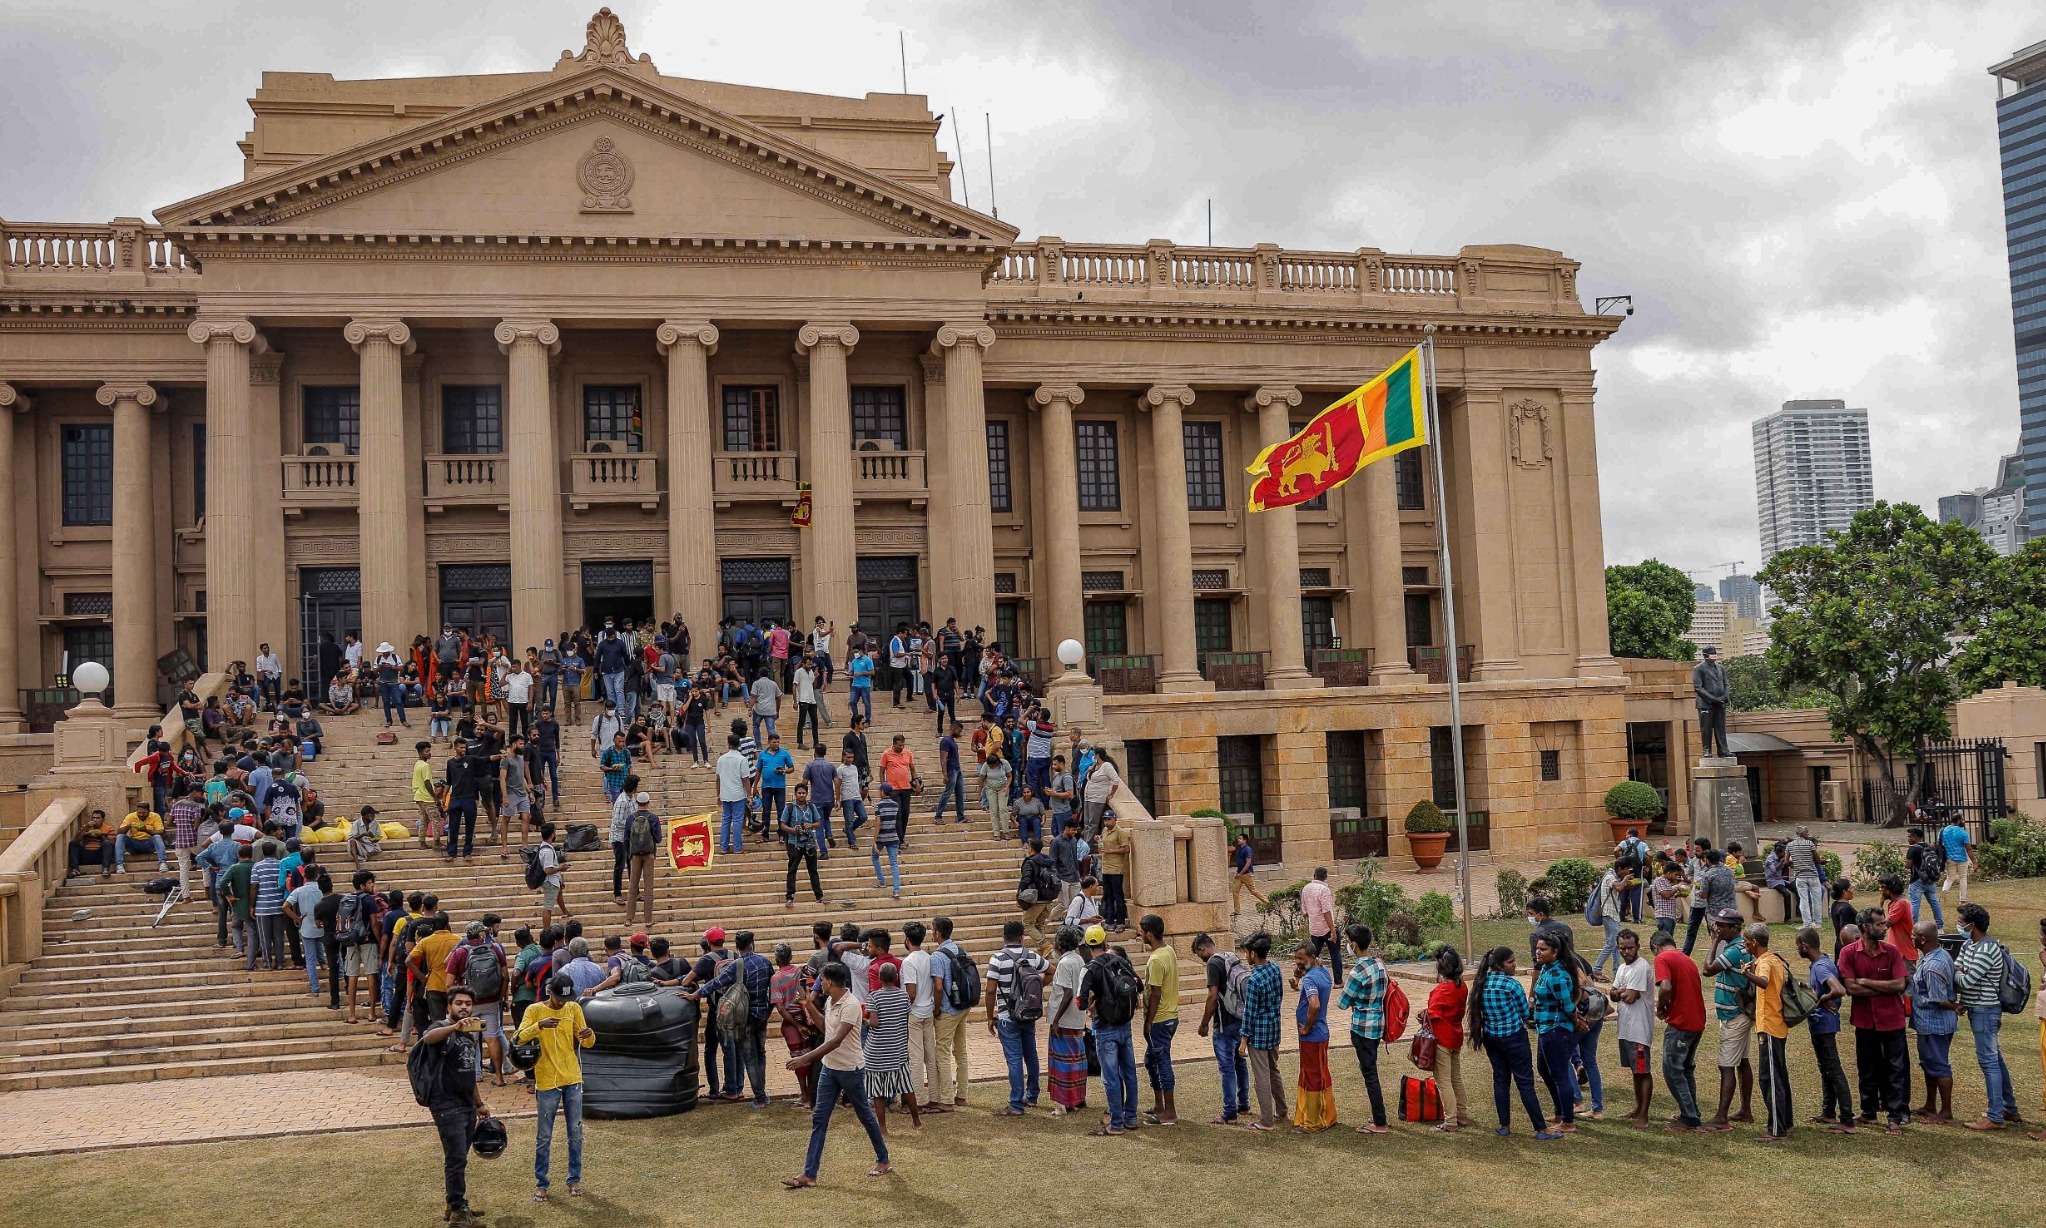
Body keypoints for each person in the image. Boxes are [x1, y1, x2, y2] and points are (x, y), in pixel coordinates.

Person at [784, 963, 891, 1188]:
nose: (819, 984)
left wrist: (805, 1058)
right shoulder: (832, 1001)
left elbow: (836, 1040)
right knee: (819, 1119)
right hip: (829, 1069)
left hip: (850, 1071)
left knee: (865, 1116)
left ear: (830, 982)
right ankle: (809, 1174)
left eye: (822, 980)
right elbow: (826, 1028)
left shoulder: (850, 1005)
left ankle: (883, 1159)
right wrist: (807, 1004)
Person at [515, 973, 595, 1201]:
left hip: (572, 1078)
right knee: (544, 1136)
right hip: (547, 1080)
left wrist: (589, 1035)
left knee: (576, 1133)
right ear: (549, 992)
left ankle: (574, 1179)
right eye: (558, 997)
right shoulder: (534, 1011)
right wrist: (538, 1026)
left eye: (565, 998)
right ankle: (542, 1184)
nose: (561, 1002)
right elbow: (519, 1038)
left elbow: (587, 1041)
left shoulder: (573, 1009)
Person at [420, 986, 492, 1227]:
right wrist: (454, 1027)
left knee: (459, 1157)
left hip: (466, 1105)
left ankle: (454, 1205)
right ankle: (459, 1213)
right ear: (449, 1006)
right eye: (459, 1003)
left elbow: (468, 1072)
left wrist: (479, 1104)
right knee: (456, 1158)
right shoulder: (440, 1027)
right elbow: (428, 1038)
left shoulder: (468, 1035)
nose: (464, 1007)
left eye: (468, 1004)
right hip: (446, 1105)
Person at [1838, 907, 1912, 1133]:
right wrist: (1885, 988)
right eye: (1880, 924)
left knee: (1895, 1068)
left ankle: (1896, 1116)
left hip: (1892, 1020)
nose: (1884, 927)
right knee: (1866, 1066)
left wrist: (1867, 982)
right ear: (1866, 927)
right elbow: (1850, 988)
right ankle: (1869, 1111)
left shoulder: (1891, 951)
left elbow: (1900, 985)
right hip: (1865, 1021)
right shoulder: (1849, 952)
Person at [1467, 946, 1552, 1138]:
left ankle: (1504, 1125)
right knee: (1524, 1083)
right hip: (1514, 1037)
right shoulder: (1511, 985)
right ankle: (1540, 1128)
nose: (1514, 965)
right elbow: (1524, 1013)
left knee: (1501, 1080)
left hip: (1491, 1038)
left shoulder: (1481, 983)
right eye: (1511, 962)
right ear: (1499, 965)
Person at [1954, 902, 2022, 1129]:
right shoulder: (1968, 945)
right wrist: (1962, 974)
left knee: (1989, 1062)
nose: (1959, 925)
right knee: (1996, 1059)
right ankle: (2009, 1108)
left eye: (1962, 922)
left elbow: (1965, 979)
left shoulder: (1987, 948)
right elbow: (1960, 969)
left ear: (1972, 925)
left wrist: (1961, 974)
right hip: (1976, 1008)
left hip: (1986, 1010)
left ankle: (1995, 1116)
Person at [1792, 924, 1854, 1131]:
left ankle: (1847, 1118)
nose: (1797, 949)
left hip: (1824, 1023)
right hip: (1821, 1024)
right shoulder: (1823, 961)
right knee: (1825, 1068)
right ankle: (1828, 1112)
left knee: (1833, 1069)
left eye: (1797, 946)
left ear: (1804, 945)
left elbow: (1839, 989)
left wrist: (1822, 999)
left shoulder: (1820, 966)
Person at [985, 919, 1048, 1116]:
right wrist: (1034, 991)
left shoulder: (997, 959)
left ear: (1004, 937)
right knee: (1031, 1055)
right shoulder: (1031, 956)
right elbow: (1051, 970)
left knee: (1014, 1060)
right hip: (1027, 1013)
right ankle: (1032, 1095)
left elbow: (990, 990)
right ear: (1022, 937)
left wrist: (989, 1016)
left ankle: (1016, 1103)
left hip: (1007, 1015)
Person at [1701, 908, 1753, 1131]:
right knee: (1742, 1062)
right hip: (1740, 1012)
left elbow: (1707, 970)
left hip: (1734, 1015)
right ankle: (1745, 1111)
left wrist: (1714, 942)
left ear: (1734, 928)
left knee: (1727, 1066)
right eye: (1717, 925)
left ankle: (1721, 1118)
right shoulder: (1742, 946)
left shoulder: (1733, 950)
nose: (1718, 929)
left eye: (1722, 926)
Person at [1336, 922, 1391, 1133]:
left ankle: (1380, 1121)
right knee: (1372, 1070)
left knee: (1370, 1074)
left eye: (1349, 942)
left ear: (1355, 945)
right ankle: (1379, 1116)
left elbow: (1342, 1002)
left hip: (1361, 1026)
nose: (1347, 945)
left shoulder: (1357, 972)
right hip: (1377, 1023)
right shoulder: (1379, 964)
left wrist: (1355, 1001)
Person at [1741, 922, 1794, 1141]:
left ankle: (1776, 1129)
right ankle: (1786, 1122)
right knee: (1779, 1076)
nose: (1744, 945)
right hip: (1776, 1025)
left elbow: (1763, 982)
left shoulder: (1765, 963)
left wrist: (1746, 973)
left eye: (1746, 941)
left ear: (1754, 942)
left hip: (1770, 1027)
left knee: (1769, 1079)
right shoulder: (1774, 959)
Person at [1191, 932, 1249, 1125]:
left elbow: (1213, 995)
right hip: (1240, 1017)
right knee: (1240, 1063)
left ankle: (1229, 1112)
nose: (1201, 958)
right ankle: (1244, 1104)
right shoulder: (1231, 956)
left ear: (1202, 948)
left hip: (1224, 1022)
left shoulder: (1213, 963)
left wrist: (1204, 1023)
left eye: (1199, 955)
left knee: (1227, 1068)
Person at [1652, 928, 1706, 1132]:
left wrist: (1660, 1008)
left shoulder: (1663, 957)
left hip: (1681, 1023)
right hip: (1697, 1021)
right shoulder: (1686, 958)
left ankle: (1690, 1118)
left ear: (1655, 947)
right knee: (1686, 1069)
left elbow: (1665, 987)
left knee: (1673, 1070)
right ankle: (1691, 1111)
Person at [1908, 916, 1958, 1126]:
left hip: (1935, 1023)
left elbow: (1938, 999)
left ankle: (1945, 1111)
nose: (1910, 937)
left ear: (1921, 938)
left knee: (1939, 1066)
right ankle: (1930, 1105)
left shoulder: (1933, 965)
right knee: (1929, 1064)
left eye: (1913, 935)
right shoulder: (1936, 955)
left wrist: (1955, 1006)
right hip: (1927, 1023)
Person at [1530, 932, 1580, 1133]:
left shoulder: (1558, 975)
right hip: (1544, 1028)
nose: (1538, 952)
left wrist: (1577, 1022)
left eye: (1543, 949)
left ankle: (1568, 1120)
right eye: (1537, 948)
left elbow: (1568, 1006)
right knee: (1543, 1069)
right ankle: (1560, 1110)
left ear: (1555, 952)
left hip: (1556, 1029)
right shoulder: (1546, 969)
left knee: (1560, 1075)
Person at [1607, 929, 1654, 1128]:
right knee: (1635, 1070)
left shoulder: (1641, 967)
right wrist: (1621, 992)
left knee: (1643, 1071)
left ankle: (1644, 1114)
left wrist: (1622, 992)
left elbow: (1631, 997)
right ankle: (1638, 1107)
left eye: (1630, 947)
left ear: (1638, 947)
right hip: (1626, 1027)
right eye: (1622, 948)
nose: (1626, 951)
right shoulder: (1622, 968)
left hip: (1639, 1029)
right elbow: (1613, 995)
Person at [1042, 924, 1091, 1118]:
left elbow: (1067, 993)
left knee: (1061, 1062)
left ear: (1061, 944)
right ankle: (1076, 1100)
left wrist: (1056, 1020)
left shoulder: (1064, 964)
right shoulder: (1078, 959)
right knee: (1076, 1061)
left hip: (1065, 1020)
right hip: (1077, 1017)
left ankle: (1062, 1104)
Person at [1290, 941, 1337, 1132]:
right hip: (1321, 1034)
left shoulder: (1310, 979)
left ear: (1311, 957)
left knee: (1311, 1077)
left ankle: (1312, 1122)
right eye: (1295, 958)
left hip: (1312, 1035)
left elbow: (1314, 1005)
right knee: (1320, 1074)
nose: (1297, 962)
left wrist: (1307, 1028)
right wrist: (1298, 975)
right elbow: (1303, 972)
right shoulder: (1323, 971)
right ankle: (1327, 1116)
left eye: (1300, 958)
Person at [1139, 912, 1179, 1126]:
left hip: (1160, 1019)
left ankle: (1169, 1111)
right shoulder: (1168, 951)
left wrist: (1148, 1021)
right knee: (1151, 1061)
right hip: (1170, 1016)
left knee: (1161, 1062)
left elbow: (1155, 993)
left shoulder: (1155, 959)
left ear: (1150, 934)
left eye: (1143, 932)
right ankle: (1159, 1105)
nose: (1141, 935)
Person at [898, 921, 941, 1112]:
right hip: (928, 1010)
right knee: (930, 1057)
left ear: (907, 939)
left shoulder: (909, 962)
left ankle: (918, 1100)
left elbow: (911, 992)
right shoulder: (928, 957)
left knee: (915, 1059)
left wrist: (903, 1010)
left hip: (914, 1013)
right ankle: (934, 1096)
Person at [931, 915, 970, 1109]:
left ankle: (946, 1098)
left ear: (937, 933)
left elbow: (938, 986)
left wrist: (936, 1009)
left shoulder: (938, 956)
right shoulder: (959, 949)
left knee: (942, 1052)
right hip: (962, 1006)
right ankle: (961, 1094)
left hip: (947, 1009)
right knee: (960, 1051)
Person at [620, 792, 663, 927]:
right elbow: (658, 839)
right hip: (649, 855)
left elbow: (625, 839)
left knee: (633, 887)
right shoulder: (653, 818)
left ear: (637, 803)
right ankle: (648, 919)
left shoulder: (630, 818)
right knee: (648, 888)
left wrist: (630, 853)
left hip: (635, 855)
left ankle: (629, 919)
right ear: (648, 802)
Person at [781, 782, 824, 906]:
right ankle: (789, 896)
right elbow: (782, 825)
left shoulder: (811, 807)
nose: (801, 795)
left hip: (809, 843)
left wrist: (810, 825)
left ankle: (819, 895)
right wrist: (792, 830)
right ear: (795, 794)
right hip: (794, 842)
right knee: (792, 870)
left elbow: (819, 822)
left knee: (813, 870)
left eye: (803, 793)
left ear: (807, 794)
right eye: (799, 793)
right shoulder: (789, 807)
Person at [1298, 865, 1341, 979]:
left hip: (1314, 929)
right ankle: (1338, 981)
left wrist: (1314, 918)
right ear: (1325, 877)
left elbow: (1304, 911)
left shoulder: (1306, 888)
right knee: (1335, 955)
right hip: (1327, 928)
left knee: (1312, 955)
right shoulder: (1324, 890)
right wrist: (1333, 930)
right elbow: (1326, 911)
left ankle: (1306, 976)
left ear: (1314, 875)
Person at [714, 735, 752, 856]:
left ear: (728, 743)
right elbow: (746, 779)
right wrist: (749, 795)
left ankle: (724, 847)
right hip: (738, 794)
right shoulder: (742, 759)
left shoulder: (721, 759)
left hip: (725, 793)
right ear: (738, 745)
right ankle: (737, 847)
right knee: (737, 821)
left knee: (726, 820)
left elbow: (718, 779)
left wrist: (718, 794)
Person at [1905, 826, 1946, 929]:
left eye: (1909, 836)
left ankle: (1913, 926)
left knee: (1915, 904)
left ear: (1915, 837)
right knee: (1934, 903)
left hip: (1917, 880)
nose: (1908, 838)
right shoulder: (1929, 847)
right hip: (1929, 879)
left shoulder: (1913, 849)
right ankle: (1940, 926)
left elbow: (1908, 865)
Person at [1786, 826, 1824, 927]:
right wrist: (1821, 861)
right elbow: (1817, 859)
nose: (1808, 834)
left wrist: (1794, 865)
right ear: (1802, 834)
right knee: (1816, 900)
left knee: (1804, 900)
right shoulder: (1809, 843)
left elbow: (1786, 861)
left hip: (1800, 876)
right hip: (1812, 875)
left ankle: (1806, 922)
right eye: (1807, 832)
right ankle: (1817, 922)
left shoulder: (1790, 845)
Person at [1940, 815, 1977, 905]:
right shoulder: (1963, 833)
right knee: (1963, 877)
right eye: (1962, 819)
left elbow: (1940, 843)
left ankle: (1944, 891)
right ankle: (1963, 898)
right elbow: (1968, 848)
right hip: (1962, 858)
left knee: (1950, 878)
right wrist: (1974, 862)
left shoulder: (1944, 830)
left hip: (1949, 857)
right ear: (1959, 820)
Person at [1229, 832, 1267, 914]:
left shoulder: (1247, 849)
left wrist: (1241, 873)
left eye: (1240, 838)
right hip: (1239, 874)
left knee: (1253, 891)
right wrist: (1238, 873)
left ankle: (1267, 903)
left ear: (1245, 840)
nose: (1238, 840)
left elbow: (1248, 862)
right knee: (1235, 890)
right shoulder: (1238, 849)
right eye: (1238, 838)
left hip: (1247, 874)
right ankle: (1237, 910)